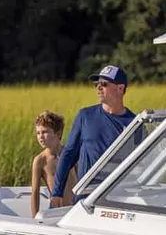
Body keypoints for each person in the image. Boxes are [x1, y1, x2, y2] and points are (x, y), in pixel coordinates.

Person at [50, 65, 136, 209]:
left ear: (120, 88)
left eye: (104, 84)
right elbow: (68, 155)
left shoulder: (134, 123)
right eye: (97, 84)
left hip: (119, 200)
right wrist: (57, 192)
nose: (98, 88)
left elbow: (143, 164)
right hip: (87, 200)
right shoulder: (85, 116)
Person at [31, 111, 77, 217]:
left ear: (58, 133)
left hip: (74, 208)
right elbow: (35, 193)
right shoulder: (40, 160)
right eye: (38, 133)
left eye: (44, 132)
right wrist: (34, 219)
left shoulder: (70, 154)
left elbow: (80, 178)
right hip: (56, 210)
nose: (40, 137)